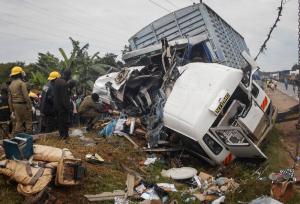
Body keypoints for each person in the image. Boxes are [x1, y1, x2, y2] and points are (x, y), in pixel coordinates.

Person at [8, 66, 32, 134]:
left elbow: (9, 99)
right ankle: (29, 137)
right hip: (23, 105)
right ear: (20, 74)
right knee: (28, 121)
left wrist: (11, 110)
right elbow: (26, 96)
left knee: (17, 122)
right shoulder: (22, 83)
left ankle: (15, 137)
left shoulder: (10, 85)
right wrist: (30, 106)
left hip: (14, 105)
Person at [53, 69, 72, 139]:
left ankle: (61, 135)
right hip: (62, 107)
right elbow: (65, 98)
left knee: (60, 122)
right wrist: (68, 108)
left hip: (57, 106)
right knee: (64, 122)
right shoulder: (64, 84)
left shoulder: (57, 81)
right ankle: (64, 136)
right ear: (68, 75)